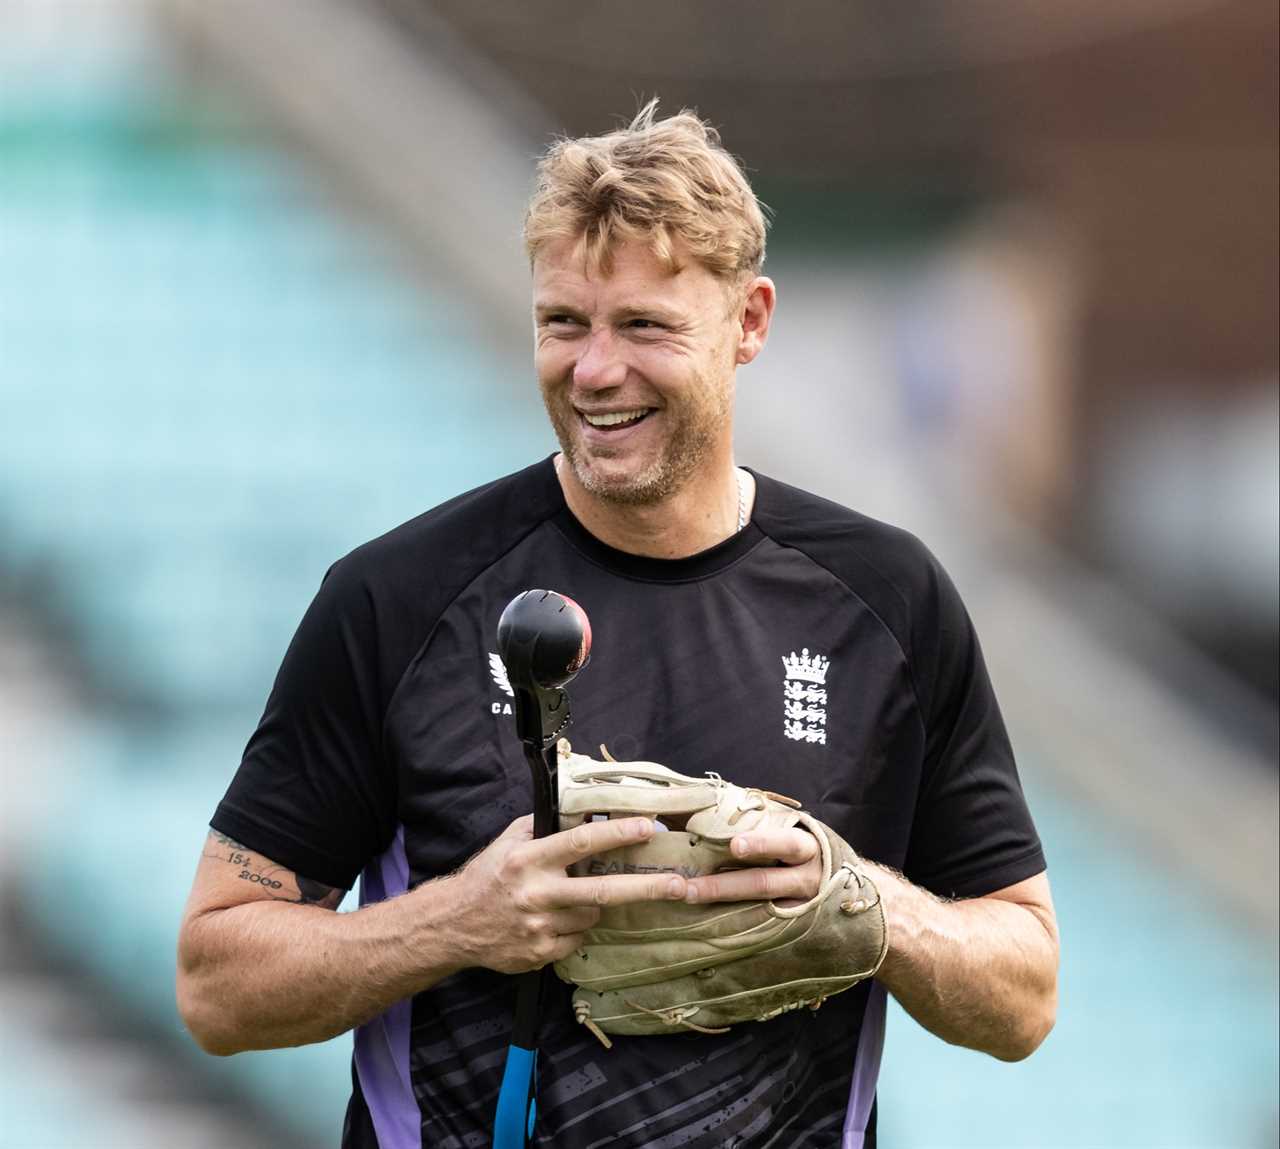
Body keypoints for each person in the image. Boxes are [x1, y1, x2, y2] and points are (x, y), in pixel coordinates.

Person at [177, 102, 1057, 1149]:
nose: (594, 371)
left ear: (750, 323)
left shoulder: (886, 602)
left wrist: (864, 903)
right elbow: (216, 983)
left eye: (644, 326)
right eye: (562, 323)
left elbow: (1021, 997)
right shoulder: (397, 598)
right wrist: (455, 923)